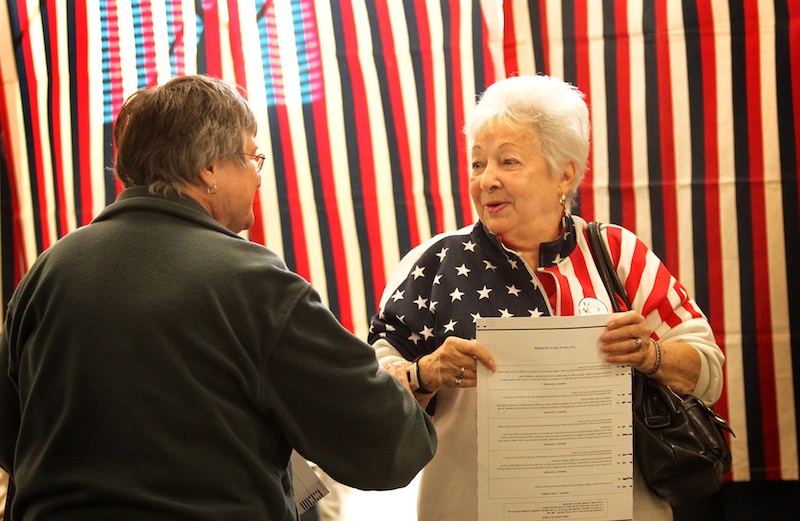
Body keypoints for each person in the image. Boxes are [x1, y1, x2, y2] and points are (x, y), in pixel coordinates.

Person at [0, 74, 436, 521]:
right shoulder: (254, 282)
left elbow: (11, 435)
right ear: (208, 168)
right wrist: (415, 382)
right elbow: (385, 446)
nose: (258, 177)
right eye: (252, 157)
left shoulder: (46, 272)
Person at [368, 74, 725, 520]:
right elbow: (370, 398)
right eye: (478, 164)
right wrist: (423, 374)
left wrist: (650, 354)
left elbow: (708, 373)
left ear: (565, 174)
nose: (486, 181)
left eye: (508, 162)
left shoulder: (616, 251)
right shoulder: (434, 263)